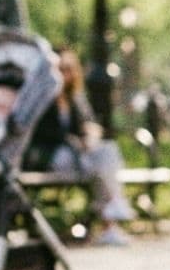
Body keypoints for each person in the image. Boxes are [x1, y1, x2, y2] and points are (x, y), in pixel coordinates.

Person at [31, 48, 134, 246]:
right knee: (94, 165)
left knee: (107, 150)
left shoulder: (75, 98)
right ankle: (112, 210)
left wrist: (90, 135)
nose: (65, 74)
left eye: (69, 68)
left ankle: (112, 215)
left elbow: (89, 123)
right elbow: (41, 135)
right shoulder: (42, 98)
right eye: (61, 68)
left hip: (81, 156)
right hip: (50, 156)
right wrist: (76, 142)